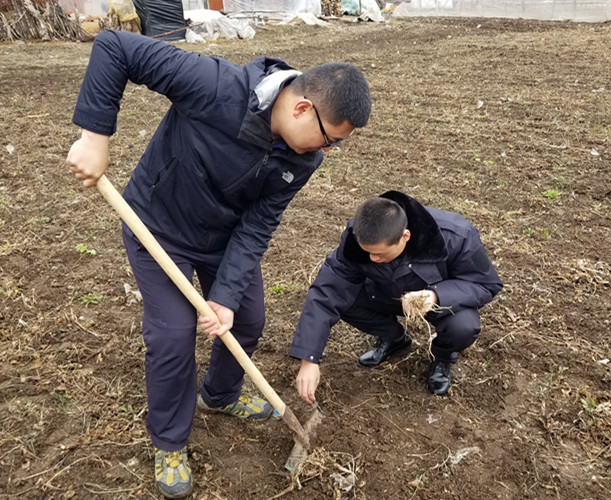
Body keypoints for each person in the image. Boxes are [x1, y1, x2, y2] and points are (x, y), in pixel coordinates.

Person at [65, 30, 371, 499]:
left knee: (246, 319)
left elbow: (258, 225)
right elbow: (116, 48)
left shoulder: (303, 160)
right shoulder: (216, 85)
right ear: (303, 108)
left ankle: (221, 394)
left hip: (222, 240)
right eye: (330, 140)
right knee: (171, 333)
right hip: (158, 227)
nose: (326, 152)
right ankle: (169, 441)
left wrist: (225, 296)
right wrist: (94, 135)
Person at [290, 191, 502, 403]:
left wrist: (437, 295)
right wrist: (309, 359)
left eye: (380, 254)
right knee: (345, 300)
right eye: (368, 252)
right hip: (384, 293)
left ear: (405, 237)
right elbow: (327, 291)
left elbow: (486, 284)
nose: (372, 258)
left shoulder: (457, 235)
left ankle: (442, 357)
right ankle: (393, 339)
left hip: (434, 301)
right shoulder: (355, 242)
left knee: (463, 326)